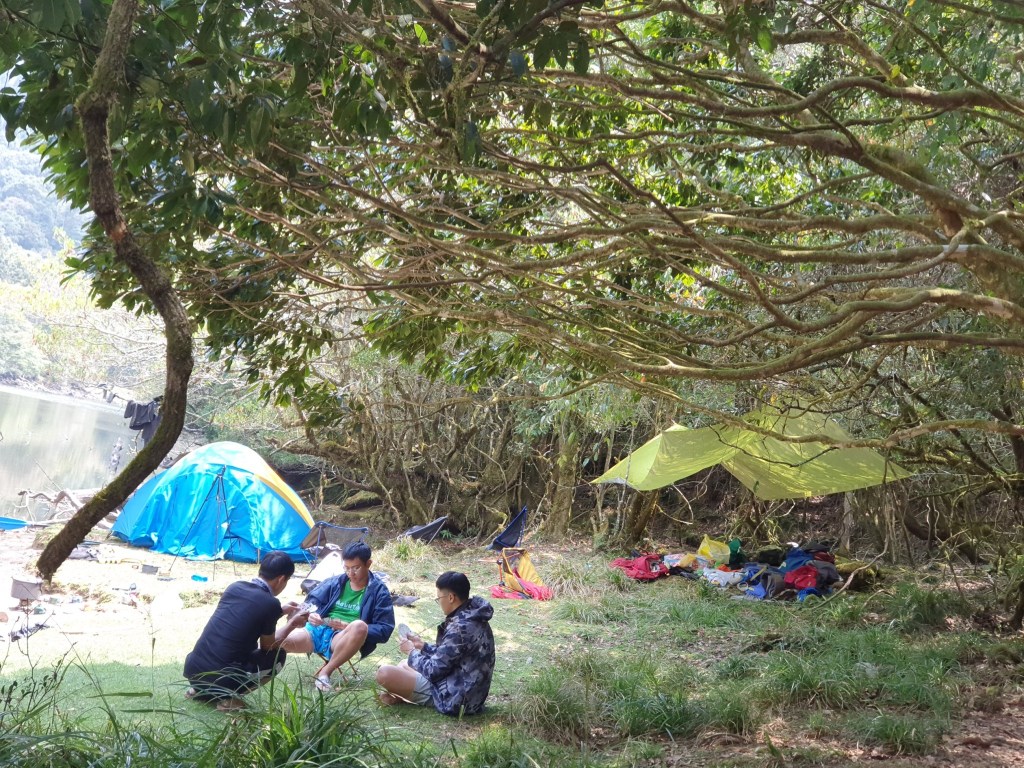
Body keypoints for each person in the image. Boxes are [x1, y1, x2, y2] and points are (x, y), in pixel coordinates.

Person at [184, 550, 309, 711]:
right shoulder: (270, 603)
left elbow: (247, 615)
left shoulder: (235, 587)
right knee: (278, 656)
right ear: (281, 579)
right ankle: (228, 698)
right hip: (223, 678)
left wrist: (279, 611)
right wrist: (292, 624)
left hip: (193, 669)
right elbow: (268, 647)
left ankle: (198, 690)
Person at [376, 571, 495, 716]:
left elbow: (433, 671)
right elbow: (450, 655)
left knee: (385, 673)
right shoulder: (473, 615)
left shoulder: (459, 628)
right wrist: (423, 646)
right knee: (404, 664)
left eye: (439, 598)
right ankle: (400, 695)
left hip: (455, 700)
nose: (439, 603)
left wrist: (411, 652)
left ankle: (400, 696)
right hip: (470, 694)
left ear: (450, 597)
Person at [280, 541, 394, 692]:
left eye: (356, 568)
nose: (350, 573)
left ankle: (325, 673)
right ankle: (253, 670)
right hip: (316, 631)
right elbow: (310, 603)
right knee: (276, 642)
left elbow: (384, 630)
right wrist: (311, 615)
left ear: (368, 564)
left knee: (359, 626)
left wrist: (347, 626)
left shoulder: (379, 591)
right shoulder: (335, 582)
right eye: (346, 568)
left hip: (343, 638)